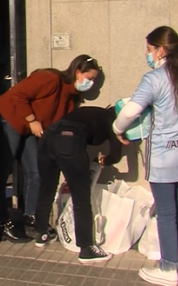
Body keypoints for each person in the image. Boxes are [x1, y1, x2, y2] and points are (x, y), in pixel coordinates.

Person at [114, 26, 178, 286]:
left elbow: (130, 111)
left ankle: (168, 268)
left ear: (161, 50)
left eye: (150, 49)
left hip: (165, 158)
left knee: (165, 212)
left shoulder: (154, 79)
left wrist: (117, 128)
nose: (147, 53)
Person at [0, 54, 100, 242]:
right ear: (78, 72)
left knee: (36, 172)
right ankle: (2, 222)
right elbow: (18, 94)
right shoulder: (51, 79)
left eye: (95, 80)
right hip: (7, 119)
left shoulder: (71, 99)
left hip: (27, 128)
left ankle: (32, 216)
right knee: (1, 172)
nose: (92, 84)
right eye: (90, 78)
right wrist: (32, 120)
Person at [34, 106, 122, 264]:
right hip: (69, 139)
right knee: (81, 196)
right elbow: (116, 155)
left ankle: (42, 234)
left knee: (46, 188)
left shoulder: (92, 113)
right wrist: (104, 160)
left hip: (47, 137)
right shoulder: (114, 121)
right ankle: (87, 249)